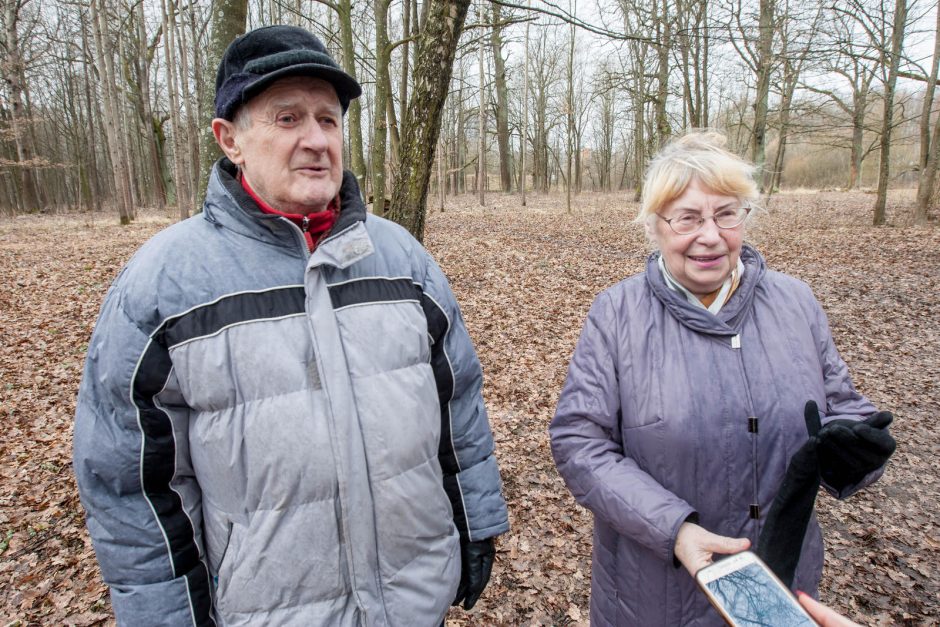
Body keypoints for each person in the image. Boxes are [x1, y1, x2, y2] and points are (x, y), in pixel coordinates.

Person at [73, 25, 509, 626]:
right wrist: (168, 612)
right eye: (287, 118)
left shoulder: (403, 262)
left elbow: (457, 403)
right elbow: (128, 477)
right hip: (267, 610)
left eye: (328, 120)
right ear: (230, 140)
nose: (316, 140)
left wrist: (475, 521)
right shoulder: (164, 284)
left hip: (410, 598)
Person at [549, 131, 894, 625]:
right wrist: (675, 529)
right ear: (654, 226)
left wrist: (857, 450)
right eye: (687, 217)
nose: (709, 235)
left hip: (779, 586)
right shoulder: (617, 314)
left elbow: (839, 408)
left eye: (726, 214)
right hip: (656, 596)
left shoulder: (796, 305)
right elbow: (579, 442)